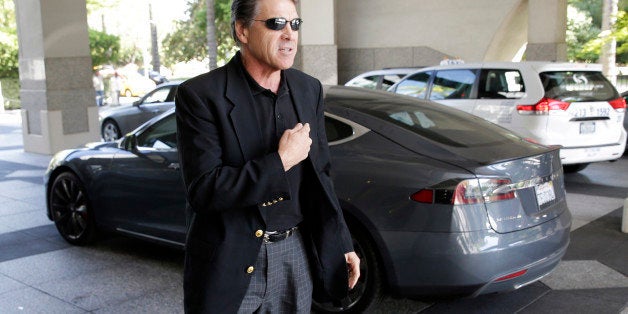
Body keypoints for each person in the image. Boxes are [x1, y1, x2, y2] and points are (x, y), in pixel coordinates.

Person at [175, 0, 360, 312]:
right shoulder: (200, 96)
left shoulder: (308, 89)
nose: (289, 34)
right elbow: (205, 190)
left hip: (295, 252)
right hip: (229, 260)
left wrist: (342, 243)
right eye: (276, 23)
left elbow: (322, 175)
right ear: (243, 30)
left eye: (295, 24)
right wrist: (281, 161)